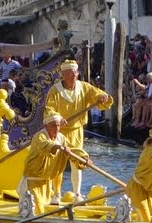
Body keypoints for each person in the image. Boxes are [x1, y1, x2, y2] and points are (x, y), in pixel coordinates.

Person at [43, 59, 113, 201]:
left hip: (76, 130)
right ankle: (56, 193)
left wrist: (102, 97)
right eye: (70, 73)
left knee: (77, 161)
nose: (74, 75)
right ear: (63, 74)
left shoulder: (84, 87)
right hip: (59, 131)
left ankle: (77, 194)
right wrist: (56, 118)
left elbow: (96, 94)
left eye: (75, 72)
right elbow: (49, 109)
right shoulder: (55, 91)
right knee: (57, 163)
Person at [18, 114, 86, 216]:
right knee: (35, 211)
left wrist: (83, 158)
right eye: (53, 125)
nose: (57, 128)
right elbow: (45, 146)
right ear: (46, 126)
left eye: (58, 126)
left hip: (46, 183)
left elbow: (72, 150)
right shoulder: (39, 136)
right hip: (32, 183)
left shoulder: (61, 138)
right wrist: (56, 147)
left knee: (43, 211)